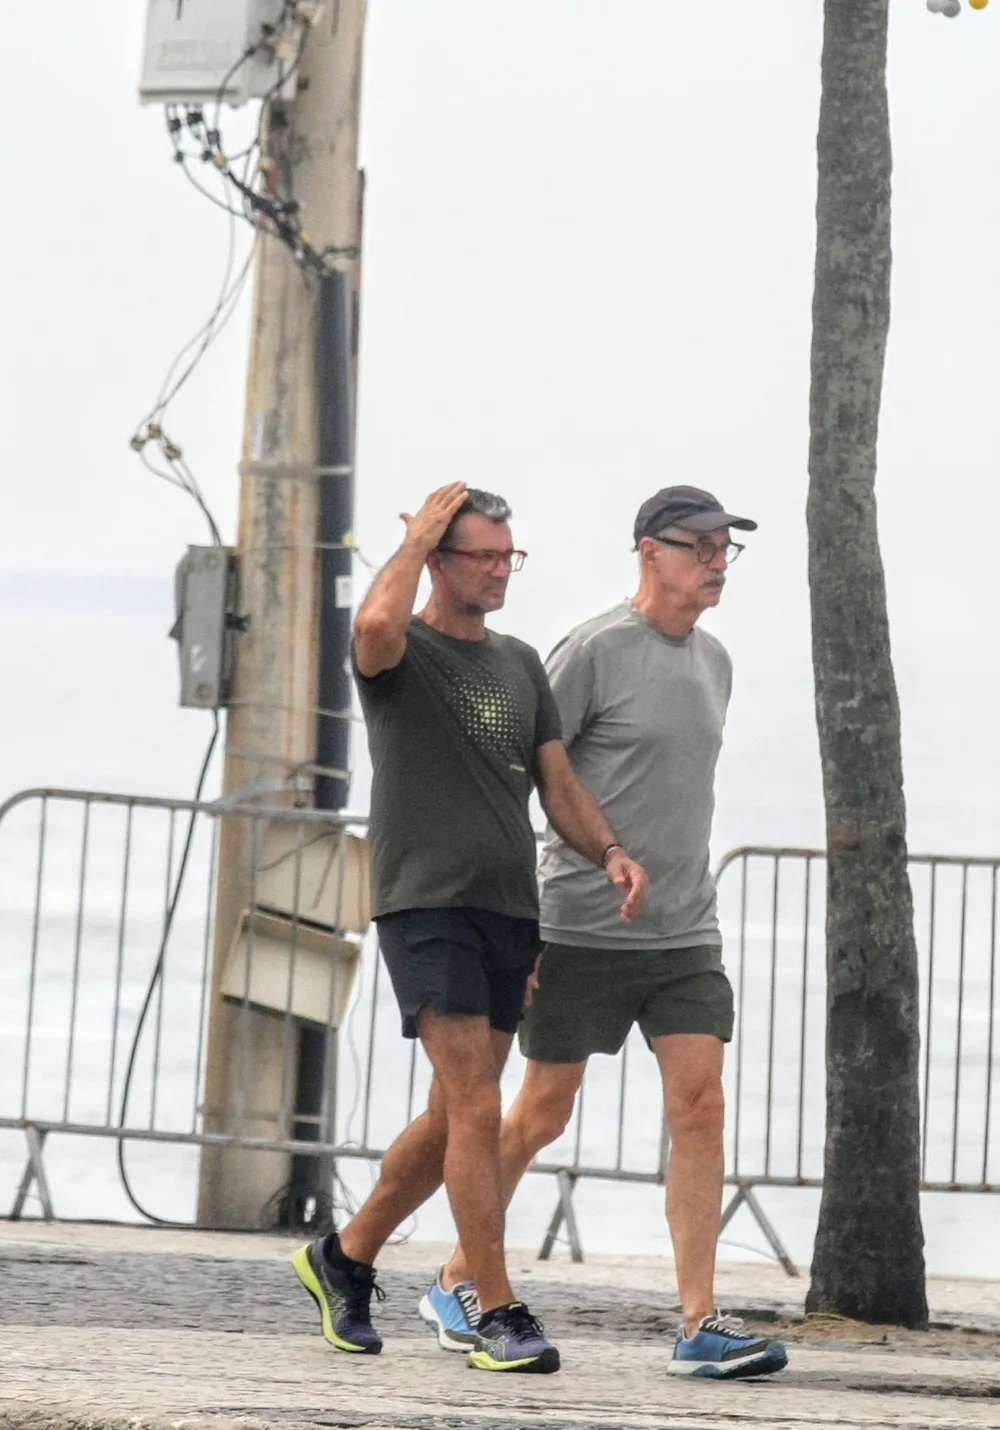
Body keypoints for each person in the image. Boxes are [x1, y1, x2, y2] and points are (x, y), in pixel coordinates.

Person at [422, 484, 788, 1380]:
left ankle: (699, 1323)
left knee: (700, 1105)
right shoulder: (589, 652)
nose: (714, 562)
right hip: (577, 926)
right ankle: (457, 1278)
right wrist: (526, 925)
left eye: (724, 548)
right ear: (648, 552)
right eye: (698, 544)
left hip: (683, 932)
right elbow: (530, 778)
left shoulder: (717, 662)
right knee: (542, 1112)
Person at [292, 482, 648, 1375]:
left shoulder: (521, 663)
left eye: (507, 557)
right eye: (483, 556)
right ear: (441, 560)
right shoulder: (400, 650)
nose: (499, 573)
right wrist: (413, 539)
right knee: (480, 1106)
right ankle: (494, 1308)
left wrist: (608, 849)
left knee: (457, 1110)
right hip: (424, 902)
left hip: (507, 908)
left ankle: (345, 1254)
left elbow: (557, 784)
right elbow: (372, 626)